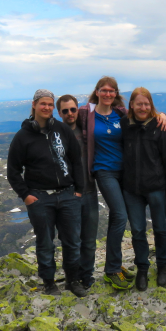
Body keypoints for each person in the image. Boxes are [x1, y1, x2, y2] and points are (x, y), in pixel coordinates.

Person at [76, 76, 166, 290]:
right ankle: (111, 270)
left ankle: (115, 265)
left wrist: (161, 115)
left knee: (122, 219)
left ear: (116, 94)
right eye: (104, 90)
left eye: (112, 91)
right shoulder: (86, 114)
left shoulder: (121, 114)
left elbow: (144, 113)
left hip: (126, 173)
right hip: (103, 171)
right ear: (97, 92)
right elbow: (68, 122)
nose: (108, 94)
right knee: (120, 215)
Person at [7, 89, 87, 298]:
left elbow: (76, 160)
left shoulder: (62, 130)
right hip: (40, 197)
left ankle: (72, 280)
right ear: (34, 105)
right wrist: (26, 195)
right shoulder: (23, 137)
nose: (47, 108)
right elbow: (13, 170)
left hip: (68, 195)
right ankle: (49, 283)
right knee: (45, 242)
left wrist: (79, 190)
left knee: (72, 241)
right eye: (43, 104)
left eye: (50, 105)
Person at [120, 87, 166, 291]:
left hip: (156, 187)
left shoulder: (159, 125)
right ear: (132, 105)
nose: (143, 108)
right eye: (139, 104)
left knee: (160, 229)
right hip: (132, 189)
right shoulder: (124, 124)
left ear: (151, 105)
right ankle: (142, 269)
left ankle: (162, 266)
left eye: (146, 104)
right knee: (137, 231)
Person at [56, 94, 98, 290]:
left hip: (89, 191)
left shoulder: (86, 131)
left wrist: (160, 115)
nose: (70, 114)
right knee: (71, 241)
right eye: (65, 111)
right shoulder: (55, 134)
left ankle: (86, 276)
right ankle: (72, 278)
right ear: (59, 113)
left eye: (73, 109)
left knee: (89, 240)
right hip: (67, 194)